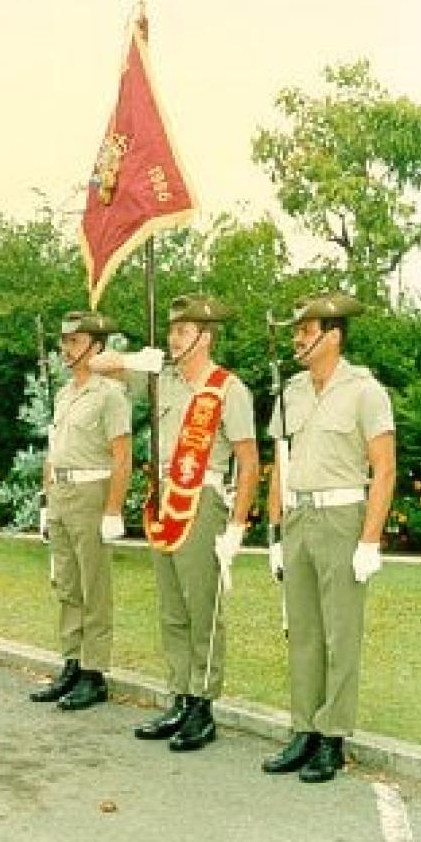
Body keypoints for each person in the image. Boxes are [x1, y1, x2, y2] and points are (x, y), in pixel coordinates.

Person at [91, 294, 258, 751]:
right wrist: (135, 359)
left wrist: (237, 527)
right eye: (171, 330)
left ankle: (203, 706)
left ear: (204, 337)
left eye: (182, 331)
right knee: (172, 607)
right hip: (164, 496)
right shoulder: (162, 381)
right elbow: (99, 362)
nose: (172, 338)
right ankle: (180, 695)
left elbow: (249, 461)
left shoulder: (228, 389)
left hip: (202, 497)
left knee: (201, 606)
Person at [262, 292, 395, 783]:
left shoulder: (365, 391)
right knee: (303, 632)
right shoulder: (290, 391)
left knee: (340, 634)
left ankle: (332, 738)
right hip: (298, 520)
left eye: (306, 329)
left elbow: (384, 470)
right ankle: (304, 729)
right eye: (296, 329)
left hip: (342, 519)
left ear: (333, 336)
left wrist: (370, 541)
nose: (297, 338)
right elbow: (281, 463)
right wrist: (274, 532)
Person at [28, 310, 132, 711]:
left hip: (92, 491)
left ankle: (94, 673)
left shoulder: (110, 394)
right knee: (68, 585)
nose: (65, 349)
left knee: (94, 587)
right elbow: (53, 452)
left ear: (96, 345)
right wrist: (44, 500)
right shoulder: (64, 394)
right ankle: (72, 662)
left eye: (74, 341)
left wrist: (113, 510)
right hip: (61, 493)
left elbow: (122, 456)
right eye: (64, 342)